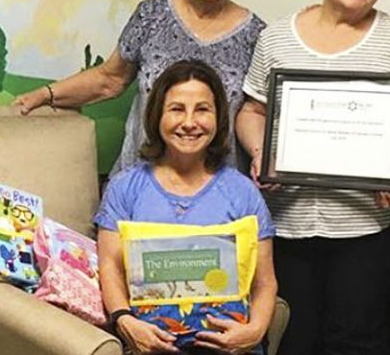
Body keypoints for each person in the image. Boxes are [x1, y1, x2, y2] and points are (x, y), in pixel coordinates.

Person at [235, 0, 390, 355]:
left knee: (357, 340)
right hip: (287, 221)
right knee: (291, 336)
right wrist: (261, 156)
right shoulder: (277, 37)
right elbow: (252, 112)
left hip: (366, 227)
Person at [13, 0, 265, 174]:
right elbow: (109, 80)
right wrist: (44, 95)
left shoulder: (257, 35)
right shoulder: (151, 15)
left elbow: (258, 113)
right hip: (141, 182)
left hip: (217, 189)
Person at [95, 60, 278, 355]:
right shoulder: (125, 188)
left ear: (219, 119)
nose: (190, 122)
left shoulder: (242, 192)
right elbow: (110, 267)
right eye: (177, 109)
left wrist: (253, 332)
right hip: (149, 345)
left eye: (202, 109)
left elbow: (265, 283)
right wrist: (125, 321)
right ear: (157, 116)